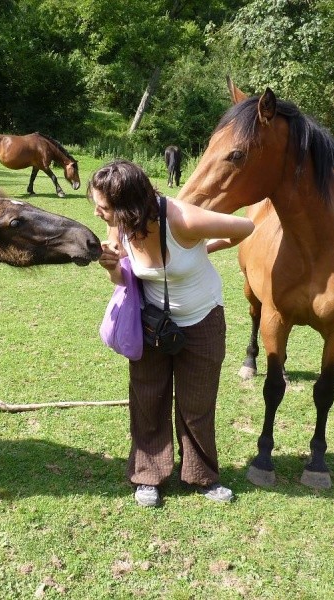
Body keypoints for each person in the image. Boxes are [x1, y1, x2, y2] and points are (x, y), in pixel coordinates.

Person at [89, 159, 254, 508]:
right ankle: (148, 477)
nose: (97, 213)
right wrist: (112, 267)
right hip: (150, 323)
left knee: (197, 403)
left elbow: (246, 226)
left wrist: (204, 246)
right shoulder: (120, 224)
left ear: (128, 205)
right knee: (148, 399)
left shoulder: (184, 219)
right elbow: (124, 278)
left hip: (202, 318)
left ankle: (202, 475)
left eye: (102, 207)